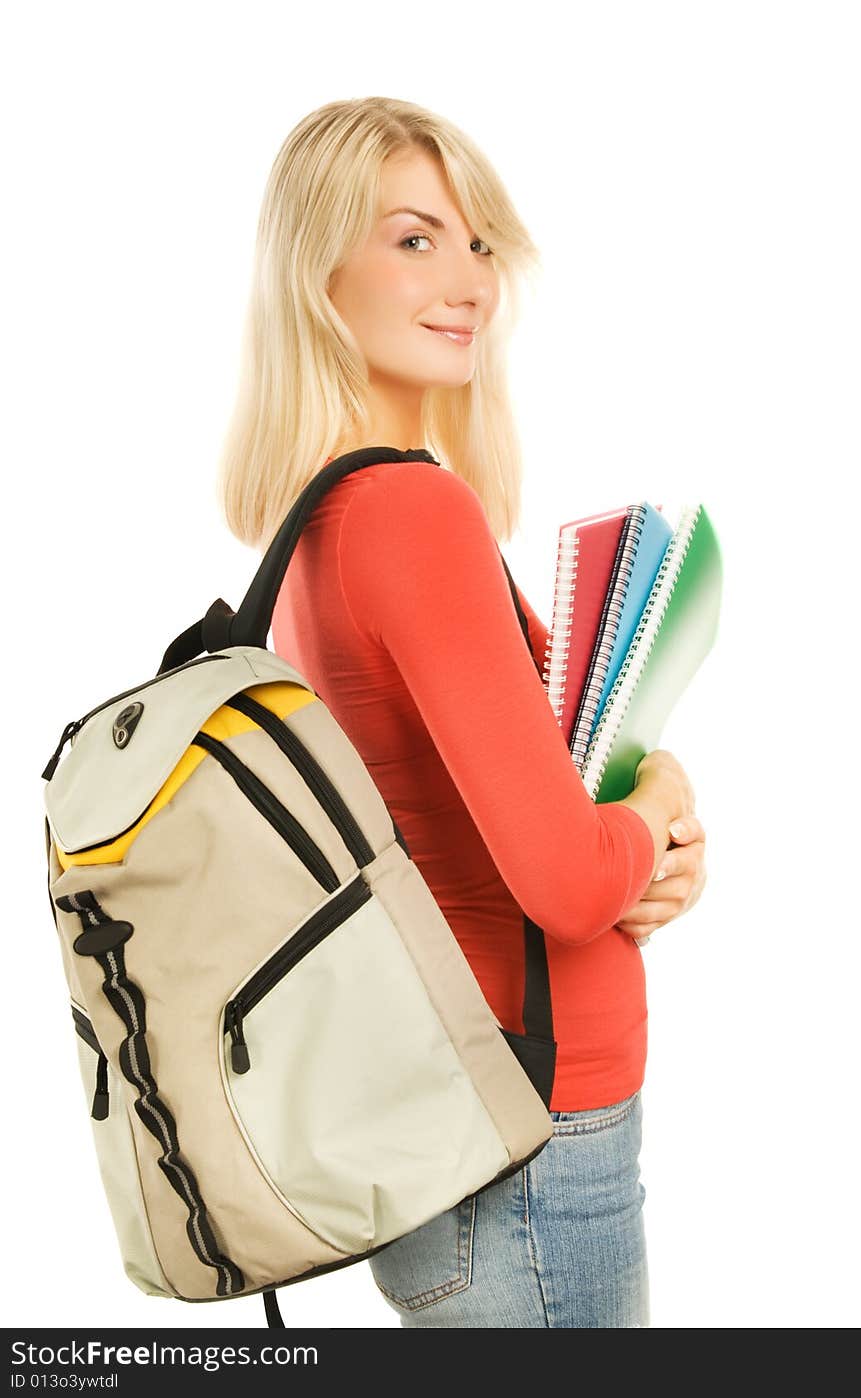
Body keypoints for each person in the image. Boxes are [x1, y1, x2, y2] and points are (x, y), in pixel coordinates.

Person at [218, 96, 707, 1328]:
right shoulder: (409, 513)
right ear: (317, 273)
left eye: (479, 242)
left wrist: (642, 844)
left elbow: (496, 847)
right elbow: (562, 879)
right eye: (413, 239)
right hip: (532, 1152)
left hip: (467, 1138)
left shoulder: (325, 520)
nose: (468, 281)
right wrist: (657, 807)